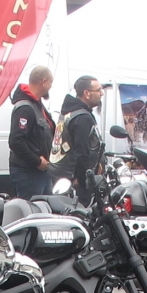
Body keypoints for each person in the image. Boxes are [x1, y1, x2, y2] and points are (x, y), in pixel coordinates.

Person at [52, 74, 106, 203]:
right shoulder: (82, 117)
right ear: (87, 93)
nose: (102, 94)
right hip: (77, 182)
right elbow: (81, 152)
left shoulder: (70, 112)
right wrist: (83, 180)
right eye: (98, 90)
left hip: (62, 177)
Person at [7, 64, 56, 196]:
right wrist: (37, 161)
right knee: (33, 212)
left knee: (45, 211)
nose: (51, 86)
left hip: (41, 172)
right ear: (43, 82)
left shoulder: (37, 106)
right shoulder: (25, 108)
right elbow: (16, 141)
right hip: (28, 172)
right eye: (51, 82)